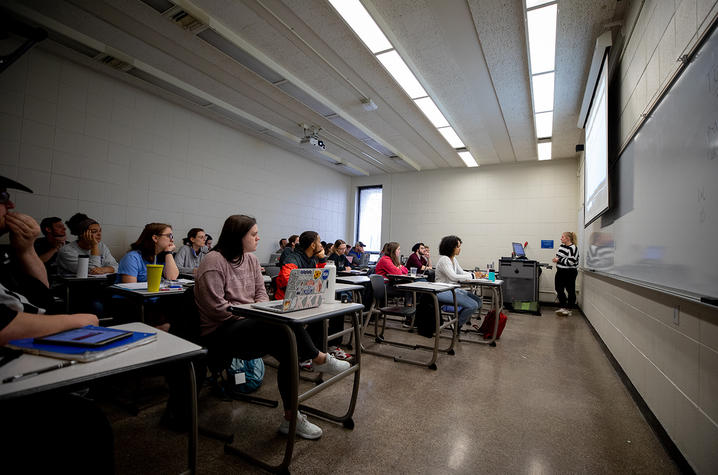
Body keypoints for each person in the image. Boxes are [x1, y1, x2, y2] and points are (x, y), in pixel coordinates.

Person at [194, 215, 349, 440]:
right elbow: (216, 308)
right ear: (238, 237)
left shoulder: (251, 260)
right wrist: (252, 313)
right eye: (254, 234)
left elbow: (261, 294)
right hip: (221, 331)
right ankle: (318, 358)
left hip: (252, 323)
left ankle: (291, 418)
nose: (259, 238)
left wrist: (256, 312)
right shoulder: (213, 261)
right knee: (281, 328)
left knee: (289, 346)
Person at [0, 175, 113, 474]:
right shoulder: (67, 249)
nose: (11, 205)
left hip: (31, 342)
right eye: (2, 199)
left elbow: (39, 296)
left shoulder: (6, 255)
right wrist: (81, 319)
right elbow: (7, 324)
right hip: (16, 358)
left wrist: (24, 250)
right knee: (84, 424)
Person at [277, 231, 352, 365]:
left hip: (307, 300)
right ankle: (306, 355)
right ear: (313, 245)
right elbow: (287, 281)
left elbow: (325, 276)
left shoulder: (312, 259)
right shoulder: (293, 259)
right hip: (288, 302)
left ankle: (328, 347)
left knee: (337, 311)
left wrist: (323, 259)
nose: (321, 245)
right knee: (319, 318)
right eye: (319, 241)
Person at [116, 223, 179, 330]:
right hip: (131, 302)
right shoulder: (133, 257)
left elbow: (172, 277)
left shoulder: (162, 257)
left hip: (154, 300)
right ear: (155, 238)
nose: (172, 240)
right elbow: (130, 289)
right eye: (169, 236)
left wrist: (168, 253)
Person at [435, 235, 483, 328]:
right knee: (473, 305)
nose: (459, 249)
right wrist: (473, 275)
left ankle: (458, 317)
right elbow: (454, 277)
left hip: (452, 289)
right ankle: (457, 326)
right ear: (450, 247)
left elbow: (461, 272)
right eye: (458, 247)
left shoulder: (453, 259)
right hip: (442, 290)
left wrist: (475, 275)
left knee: (478, 301)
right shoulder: (444, 259)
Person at [553, 231, 579, 316]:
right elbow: (558, 256)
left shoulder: (573, 248)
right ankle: (563, 306)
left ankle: (569, 308)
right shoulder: (562, 246)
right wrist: (556, 259)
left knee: (570, 290)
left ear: (567, 238)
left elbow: (571, 262)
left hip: (570, 272)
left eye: (562, 237)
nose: (561, 238)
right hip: (560, 271)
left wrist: (559, 260)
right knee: (558, 289)